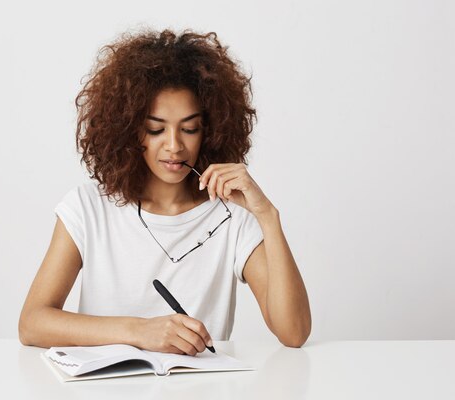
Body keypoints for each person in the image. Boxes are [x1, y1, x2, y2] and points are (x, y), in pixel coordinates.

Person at [18, 28, 311, 355]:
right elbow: (32, 323)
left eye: (189, 129)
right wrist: (138, 330)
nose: (174, 146)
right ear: (129, 130)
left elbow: (294, 332)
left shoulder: (233, 217)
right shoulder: (88, 208)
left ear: (209, 131)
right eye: (156, 129)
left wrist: (268, 216)